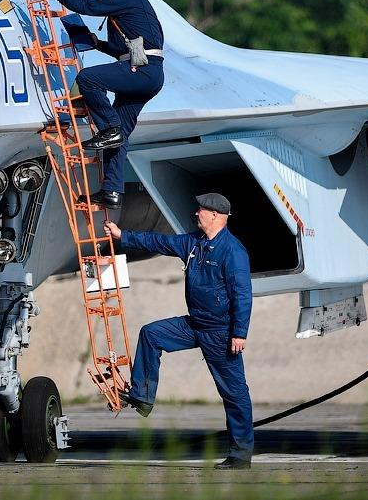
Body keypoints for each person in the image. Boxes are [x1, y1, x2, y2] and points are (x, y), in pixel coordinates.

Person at [103, 192, 255, 470]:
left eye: (200, 210)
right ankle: (142, 395)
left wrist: (239, 332)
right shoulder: (193, 243)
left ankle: (240, 454)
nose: (195, 213)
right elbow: (160, 242)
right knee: (151, 334)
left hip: (221, 333)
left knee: (234, 393)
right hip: (194, 324)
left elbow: (242, 294)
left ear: (214, 216)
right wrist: (123, 235)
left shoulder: (233, 251)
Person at [36, 0, 164, 210]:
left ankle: (110, 128)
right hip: (147, 70)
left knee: (89, 78)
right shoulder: (130, 1)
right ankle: (111, 191)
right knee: (120, 138)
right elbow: (128, 49)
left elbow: (87, 5)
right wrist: (98, 44)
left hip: (143, 70)